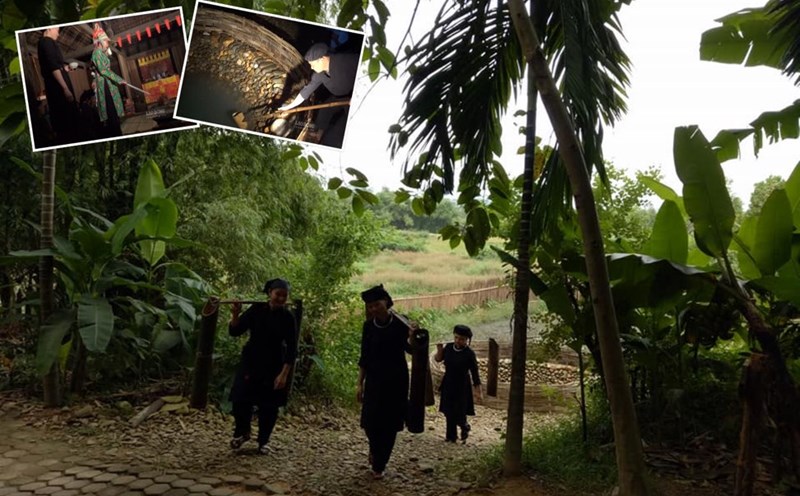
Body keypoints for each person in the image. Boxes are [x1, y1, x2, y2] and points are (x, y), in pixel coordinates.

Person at [228, 278, 297, 454]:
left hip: (274, 363)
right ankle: (242, 432)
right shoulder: (256, 310)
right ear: (269, 294)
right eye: (277, 294)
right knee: (240, 398)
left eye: (284, 295)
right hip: (251, 361)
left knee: (269, 405)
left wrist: (283, 375)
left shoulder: (288, 317)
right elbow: (235, 331)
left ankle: (263, 441)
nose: (281, 299)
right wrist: (236, 314)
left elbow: (292, 348)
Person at [357, 284, 415, 479]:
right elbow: (364, 356)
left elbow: (412, 350)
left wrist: (413, 337)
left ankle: (380, 465)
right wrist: (359, 383)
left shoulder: (401, 324)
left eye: (377, 304)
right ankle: (375, 450)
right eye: (370, 306)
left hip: (396, 381)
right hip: (374, 380)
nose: (374, 309)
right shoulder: (368, 327)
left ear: (387, 303)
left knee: (390, 424)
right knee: (370, 423)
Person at [277, 42, 359, 147]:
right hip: (339, 97)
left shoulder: (347, 61)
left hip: (354, 101)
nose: (311, 67)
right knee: (324, 111)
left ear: (322, 59)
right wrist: (288, 107)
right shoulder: (319, 74)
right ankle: (318, 135)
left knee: (335, 135)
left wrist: (357, 94)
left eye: (312, 64)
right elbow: (305, 92)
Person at [434, 325, 482, 443]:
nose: (457, 341)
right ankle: (451, 436)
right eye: (456, 337)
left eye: (461, 339)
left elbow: (475, 373)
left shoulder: (469, 353)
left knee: (459, 411)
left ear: (467, 340)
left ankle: (464, 426)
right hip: (448, 382)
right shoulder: (449, 348)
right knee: (448, 410)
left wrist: (478, 391)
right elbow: (438, 359)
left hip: (462, 385)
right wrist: (440, 349)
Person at [37, 26, 78, 145]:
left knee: (65, 118)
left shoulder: (45, 43)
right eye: (58, 30)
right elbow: (53, 67)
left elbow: (56, 66)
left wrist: (66, 68)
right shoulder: (46, 42)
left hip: (55, 85)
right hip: (58, 88)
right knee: (67, 119)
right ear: (49, 28)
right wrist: (65, 89)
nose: (58, 34)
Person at [91, 23, 127, 138]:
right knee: (110, 110)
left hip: (109, 83)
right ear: (100, 41)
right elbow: (103, 70)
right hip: (105, 85)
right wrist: (119, 79)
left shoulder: (101, 53)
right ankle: (115, 133)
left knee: (114, 112)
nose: (108, 44)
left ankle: (117, 131)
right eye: (106, 41)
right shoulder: (96, 53)